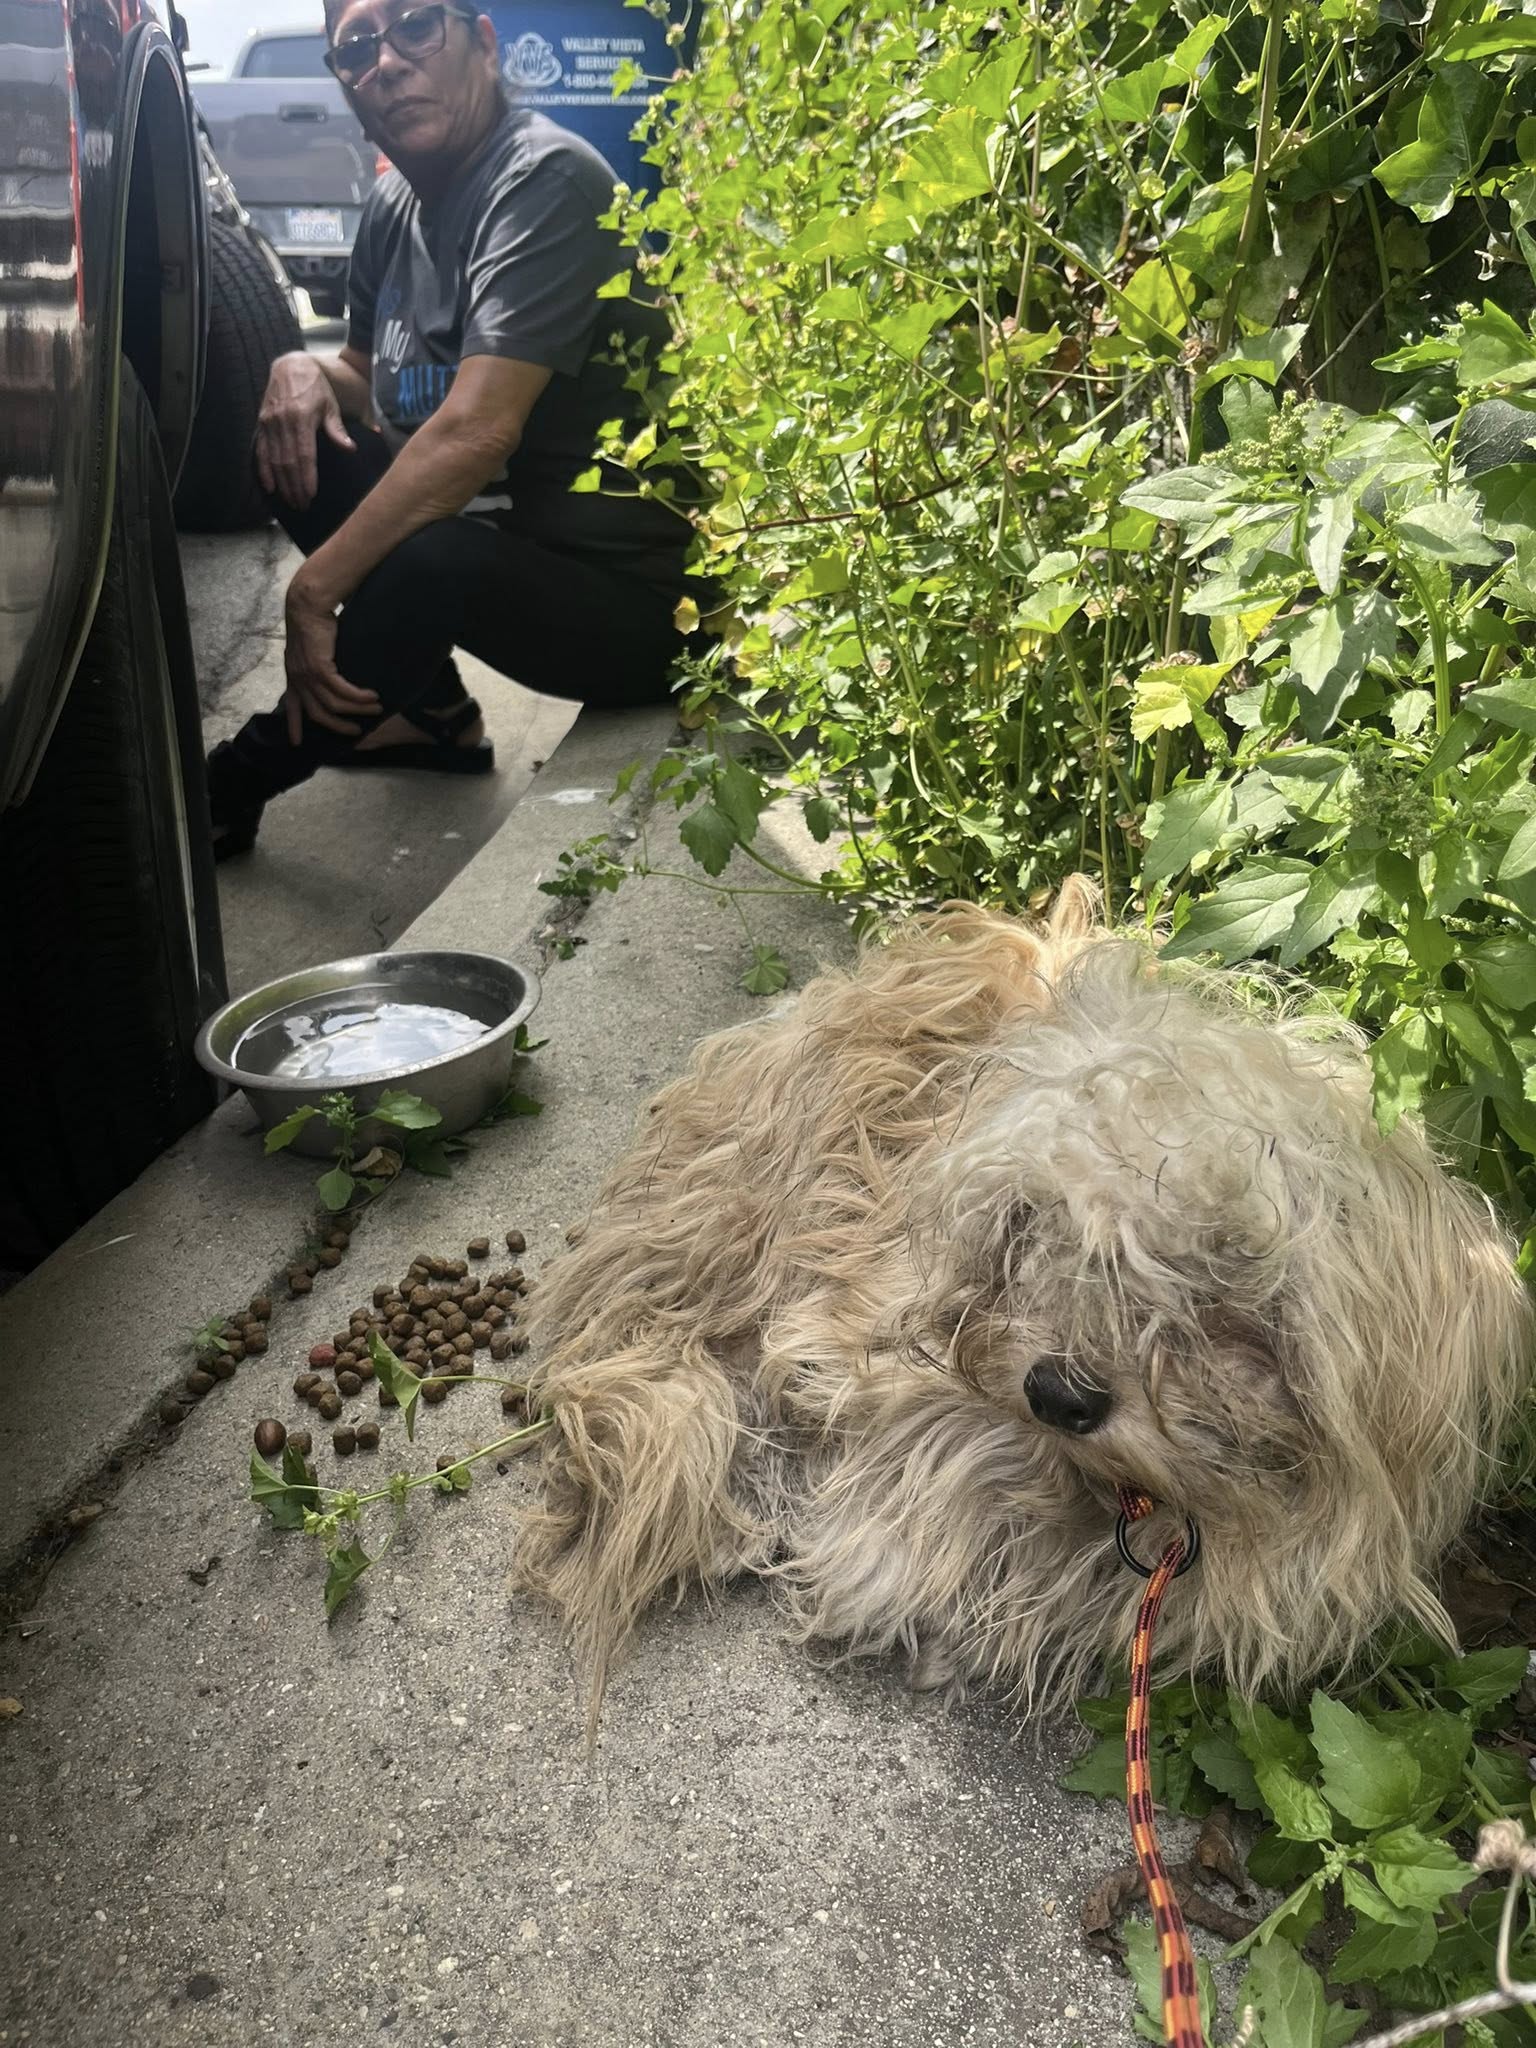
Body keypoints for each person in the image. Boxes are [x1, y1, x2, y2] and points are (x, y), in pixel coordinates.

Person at [206, 0, 704, 856]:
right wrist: (297, 370)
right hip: (512, 554)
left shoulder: (542, 180)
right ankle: (431, 715)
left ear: (480, 43)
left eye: (413, 28)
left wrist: (312, 591)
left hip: (644, 609)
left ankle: (231, 784)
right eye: (356, 49)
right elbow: (361, 376)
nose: (387, 61)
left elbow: (476, 432)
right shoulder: (397, 202)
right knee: (291, 446)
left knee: (432, 557)